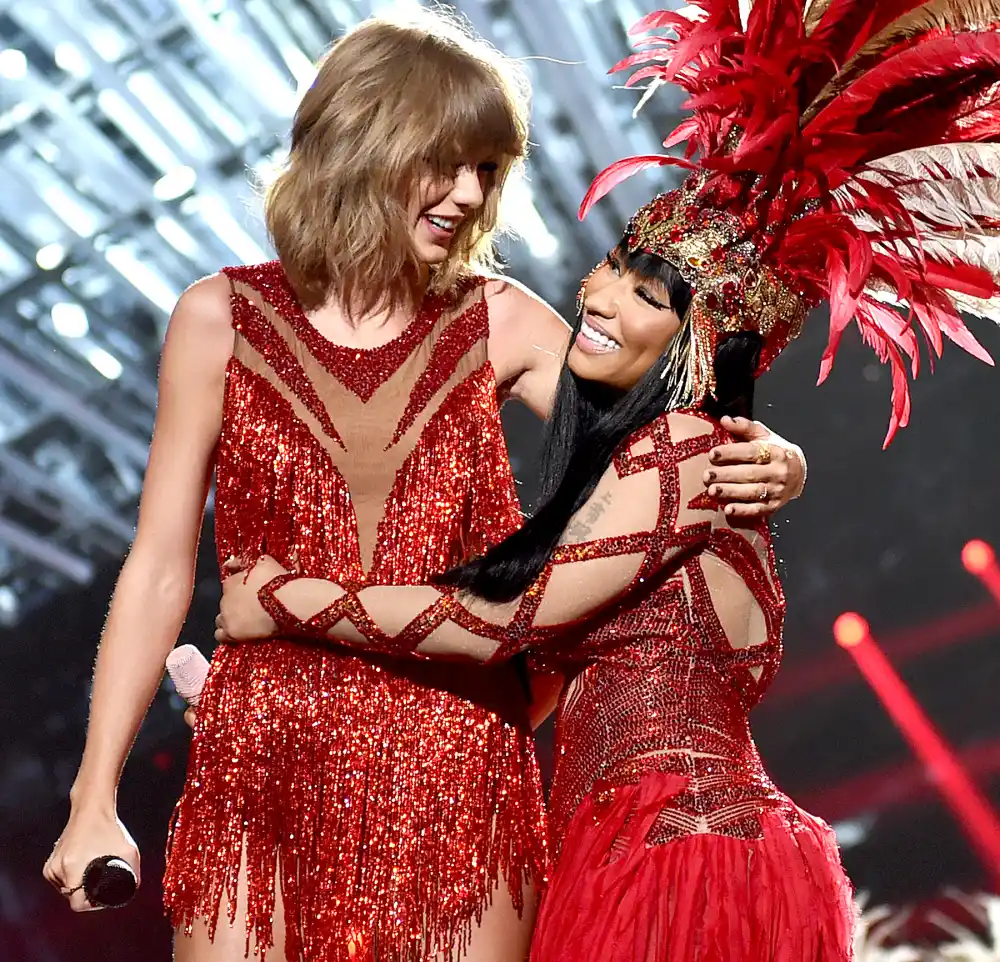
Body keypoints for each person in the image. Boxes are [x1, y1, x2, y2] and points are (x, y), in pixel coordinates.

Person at [211, 1, 1000, 958]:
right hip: (651, 846)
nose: (595, 291)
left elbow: (501, 622)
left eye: (643, 293)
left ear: (702, 344)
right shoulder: (668, 458)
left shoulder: (688, 456)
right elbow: (507, 673)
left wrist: (284, 601)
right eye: (617, 264)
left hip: (682, 860)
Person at [44, 9, 808, 962]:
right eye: (444, 162)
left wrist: (776, 453)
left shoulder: (501, 320)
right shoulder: (216, 319)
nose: (468, 194)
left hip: (459, 765)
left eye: (487, 168)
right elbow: (158, 565)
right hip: (260, 755)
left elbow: (663, 425)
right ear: (360, 143)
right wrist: (93, 797)